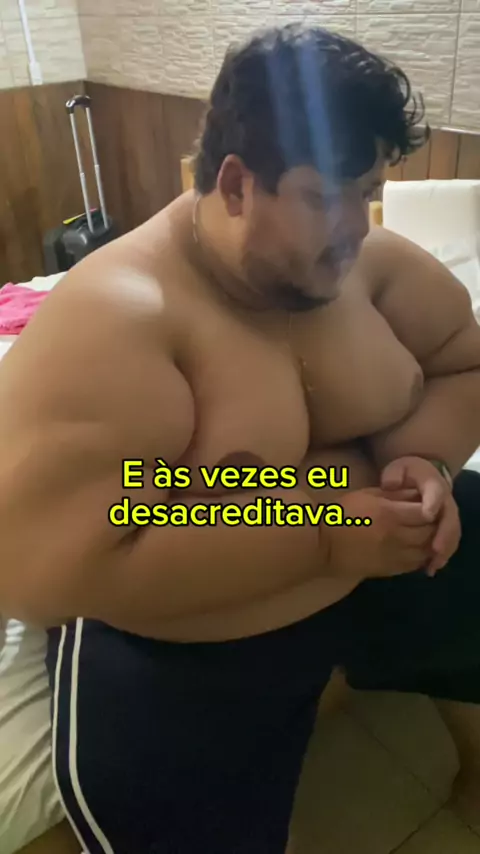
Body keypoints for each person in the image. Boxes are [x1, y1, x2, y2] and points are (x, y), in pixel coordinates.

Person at [0, 22, 480, 854]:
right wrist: (324, 532)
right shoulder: (120, 325)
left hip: (375, 556)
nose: (356, 225)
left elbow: (463, 361)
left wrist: (422, 457)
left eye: (367, 190)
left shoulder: (365, 266)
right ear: (234, 183)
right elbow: (40, 575)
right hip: (188, 642)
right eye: (324, 198)